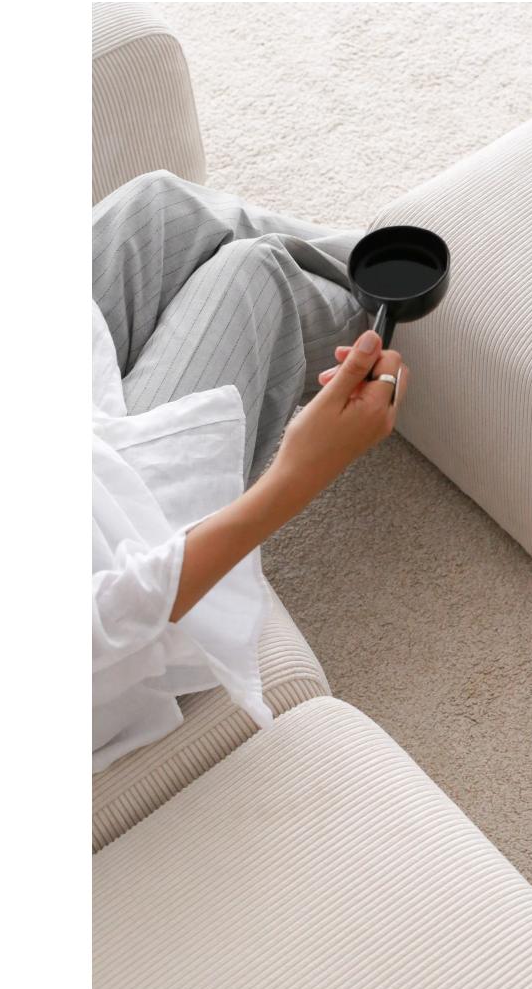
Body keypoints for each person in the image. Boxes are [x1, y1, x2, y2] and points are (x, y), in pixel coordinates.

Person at [92, 171, 407, 770]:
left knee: (157, 208)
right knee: (252, 275)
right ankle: (406, 308)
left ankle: (380, 261)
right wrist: (298, 475)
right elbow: (111, 618)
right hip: (121, 553)